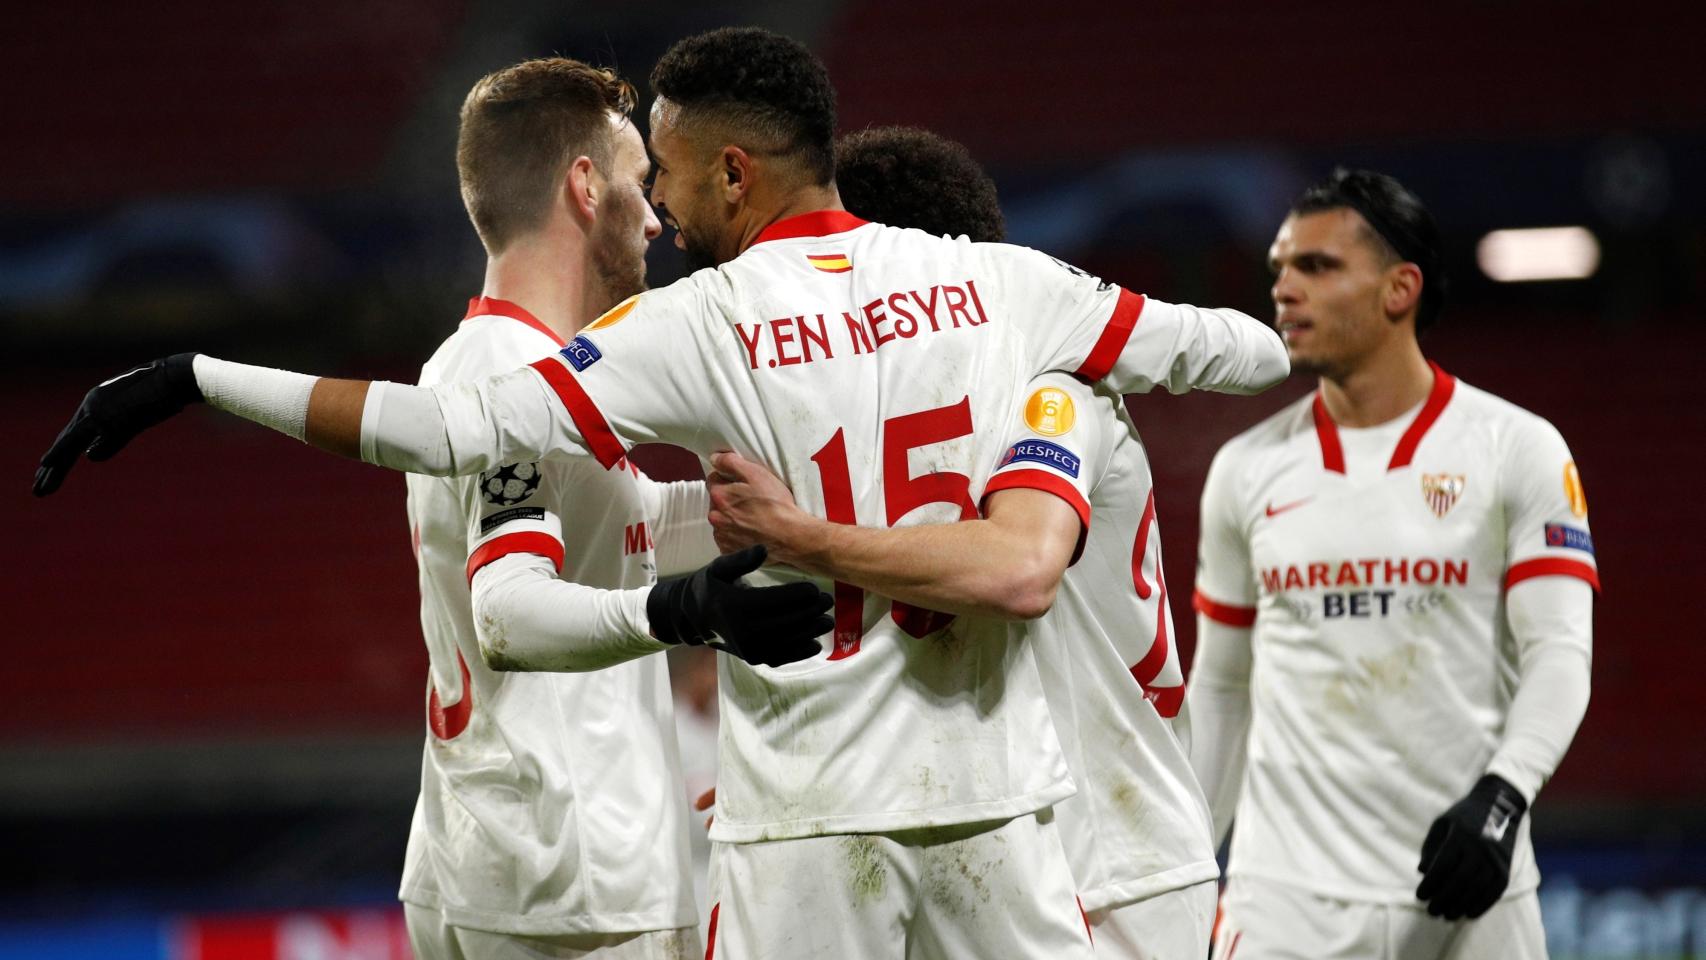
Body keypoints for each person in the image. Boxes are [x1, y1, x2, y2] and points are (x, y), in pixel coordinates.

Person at [36, 28, 1288, 958]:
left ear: (734, 172)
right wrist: (1066, 361)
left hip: (798, 824)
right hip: (999, 810)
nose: (668, 213)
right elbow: (1239, 352)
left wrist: (202, 378)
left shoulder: (704, 322)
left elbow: (450, 428)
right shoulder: (1010, 289)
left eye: (675, 177)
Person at [708, 123, 1221, 957]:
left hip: (1107, 866)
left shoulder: (1051, 394)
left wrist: (801, 537)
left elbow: (1017, 570)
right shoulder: (941, 427)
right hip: (1009, 836)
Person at [1187, 169, 1596, 960]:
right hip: (1283, 904)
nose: (1284, 291)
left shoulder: (1518, 448)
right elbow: (1222, 688)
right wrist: (1186, 866)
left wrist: (1504, 798)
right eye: (1279, 269)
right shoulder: (1243, 470)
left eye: (1317, 266)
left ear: (1399, 288)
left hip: (1473, 884)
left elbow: (1560, 653)